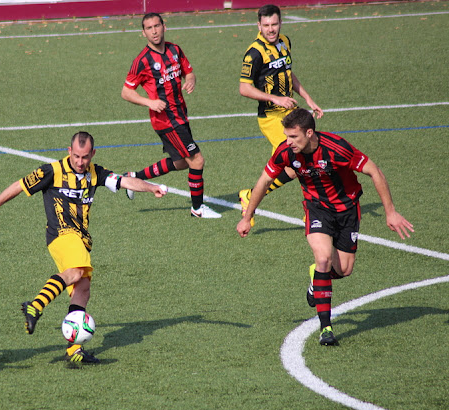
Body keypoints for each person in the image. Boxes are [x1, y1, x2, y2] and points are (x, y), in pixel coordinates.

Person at [0, 131, 167, 364]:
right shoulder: (51, 171)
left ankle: (73, 350)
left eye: (85, 157)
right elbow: (19, 185)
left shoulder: (96, 173)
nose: (80, 162)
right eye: (76, 156)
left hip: (81, 239)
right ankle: (35, 306)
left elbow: (125, 181)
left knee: (82, 289)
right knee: (76, 273)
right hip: (61, 234)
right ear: (69, 152)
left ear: (92, 154)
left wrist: (150, 187)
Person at [236, 108, 413, 345]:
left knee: (344, 270)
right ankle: (326, 327)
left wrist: (390, 212)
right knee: (323, 259)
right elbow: (264, 181)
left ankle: (317, 278)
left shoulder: (337, 148)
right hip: (316, 208)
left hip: (348, 210)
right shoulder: (285, 152)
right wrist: (248, 217)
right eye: (286, 136)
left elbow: (374, 171)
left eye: (293, 137)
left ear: (309, 133)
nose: (288, 142)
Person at [121, 12, 221, 218]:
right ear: (143, 33)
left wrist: (191, 80)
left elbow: (189, 71)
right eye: (149, 28)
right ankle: (197, 209)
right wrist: (149, 102)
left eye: (157, 26)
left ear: (164, 27)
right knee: (197, 161)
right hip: (166, 120)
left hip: (181, 116)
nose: (154, 31)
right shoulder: (142, 61)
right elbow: (126, 92)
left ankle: (133, 178)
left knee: (183, 162)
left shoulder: (175, 50)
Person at [238, 4, 324, 226]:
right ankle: (309, 211)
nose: (271, 29)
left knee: (309, 154)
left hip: (292, 112)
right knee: (297, 163)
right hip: (272, 118)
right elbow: (244, 88)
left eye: (274, 24)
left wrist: (308, 98)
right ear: (259, 25)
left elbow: (288, 73)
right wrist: (275, 98)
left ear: (280, 23)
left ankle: (251, 196)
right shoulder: (254, 53)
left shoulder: (285, 42)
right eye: (266, 25)